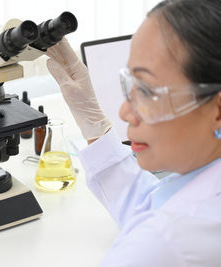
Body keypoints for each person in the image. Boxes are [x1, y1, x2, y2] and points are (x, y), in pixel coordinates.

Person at [46, 0, 221, 266]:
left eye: (149, 91)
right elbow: (152, 204)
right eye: (131, 84)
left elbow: (163, 234)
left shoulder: (167, 241)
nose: (126, 113)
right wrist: (91, 120)